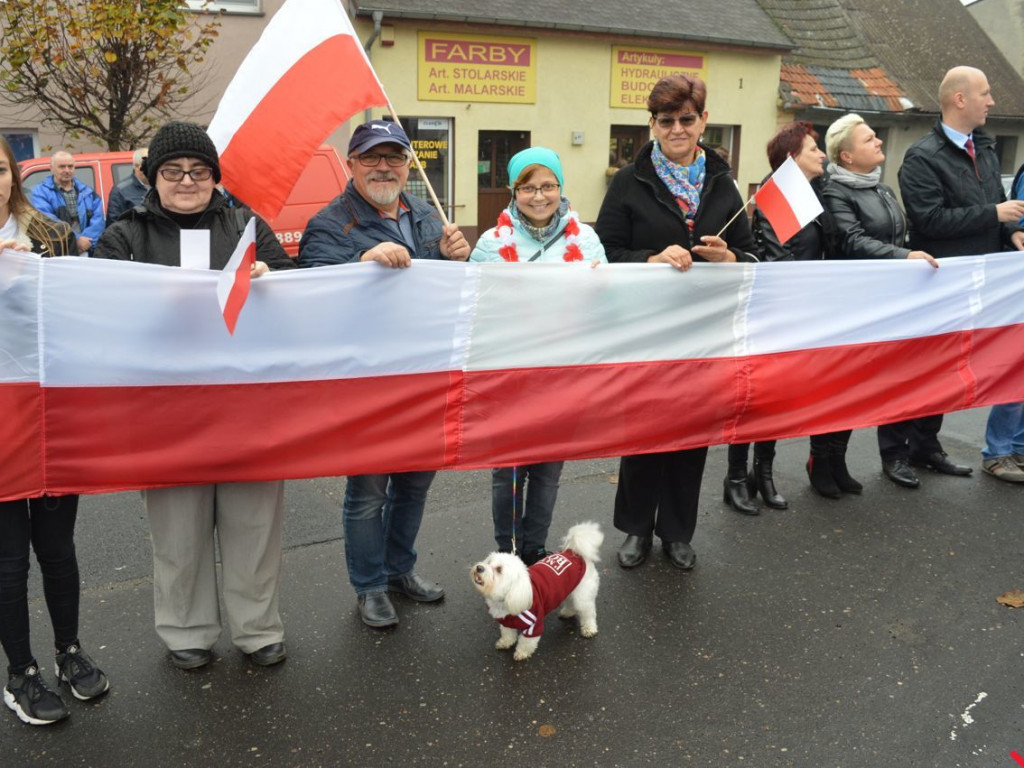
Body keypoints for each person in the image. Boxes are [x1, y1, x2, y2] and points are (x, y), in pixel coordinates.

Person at [93, 121, 294, 670]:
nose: (187, 180)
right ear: (152, 177)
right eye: (173, 171)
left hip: (246, 406)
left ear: (214, 178)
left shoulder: (247, 225)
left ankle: (258, 628)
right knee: (178, 534)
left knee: (253, 526)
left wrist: (270, 274)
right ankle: (187, 630)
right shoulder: (125, 236)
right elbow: (94, 305)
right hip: (166, 412)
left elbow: (296, 288)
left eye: (199, 171)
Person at [298, 119, 470, 628]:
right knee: (369, 490)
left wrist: (454, 256)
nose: (383, 167)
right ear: (351, 164)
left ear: (408, 166)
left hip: (424, 373)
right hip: (367, 379)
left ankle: (400, 571)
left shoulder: (424, 213)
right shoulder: (329, 223)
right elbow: (311, 290)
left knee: (415, 485)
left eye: (394, 157)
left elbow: (449, 289)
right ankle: (370, 586)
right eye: (371, 157)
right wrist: (361, 258)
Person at [595, 73, 758, 570]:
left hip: (704, 333)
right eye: (666, 121)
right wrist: (650, 258)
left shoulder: (724, 184)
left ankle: (677, 531)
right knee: (646, 434)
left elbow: (752, 255)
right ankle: (637, 529)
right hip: (647, 331)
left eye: (687, 119)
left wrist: (730, 258)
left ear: (703, 120)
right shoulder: (628, 181)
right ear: (653, 125)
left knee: (690, 436)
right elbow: (603, 251)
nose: (677, 129)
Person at [0, 136, 109, 725]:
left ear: (12, 177)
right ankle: (21, 673)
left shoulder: (50, 232)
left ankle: (69, 651)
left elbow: (78, 310)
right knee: (8, 559)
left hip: (45, 410)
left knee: (57, 549)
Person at [470, 146, 607, 563]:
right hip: (509, 376)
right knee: (508, 474)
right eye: (528, 187)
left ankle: (534, 549)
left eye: (548, 185)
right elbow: (474, 305)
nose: (539, 196)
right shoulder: (493, 243)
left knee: (547, 472)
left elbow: (604, 303)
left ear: (561, 187)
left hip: (564, 375)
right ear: (514, 192)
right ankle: (506, 551)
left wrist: (601, 285)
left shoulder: (585, 239)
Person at [899, 66, 1024, 481]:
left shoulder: (984, 148)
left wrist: (1013, 233)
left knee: (953, 371)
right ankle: (905, 449)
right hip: (943, 283)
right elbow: (929, 222)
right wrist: (993, 215)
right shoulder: (922, 157)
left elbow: (1000, 205)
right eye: (985, 93)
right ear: (959, 99)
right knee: (929, 369)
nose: (991, 101)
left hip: (983, 280)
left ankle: (926, 447)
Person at [822, 114, 940, 490]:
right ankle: (827, 463)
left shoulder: (883, 190)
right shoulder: (834, 192)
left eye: (876, 136)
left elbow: (901, 235)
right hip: (856, 303)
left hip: (894, 301)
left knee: (898, 380)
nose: (878, 142)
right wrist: (902, 257)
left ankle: (895, 456)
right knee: (849, 387)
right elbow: (851, 240)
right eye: (869, 139)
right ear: (846, 156)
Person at [725, 122, 836, 512]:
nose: (822, 155)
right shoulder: (777, 194)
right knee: (755, 398)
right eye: (812, 149)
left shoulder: (816, 193)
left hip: (802, 308)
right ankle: (737, 477)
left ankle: (764, 475)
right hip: (775, 310)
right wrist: (798, 300)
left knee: (777, 400)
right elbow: (777, 257)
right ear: (791, 158)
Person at [30, 150, 104, 255]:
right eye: (62, 167)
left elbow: (98, 221)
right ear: (51, 168)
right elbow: (48, 221)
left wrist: (86, 242)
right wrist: (76, 240)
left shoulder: (87, 192)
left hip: (88, 250)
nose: (67, 170)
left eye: (70, 166)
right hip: (58, 252)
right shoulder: (40, 192)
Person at [105, 148, 149, 224]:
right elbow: (114, 225)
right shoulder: (120, 191)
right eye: (147, 165)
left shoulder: (161, 186)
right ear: (136, 166)